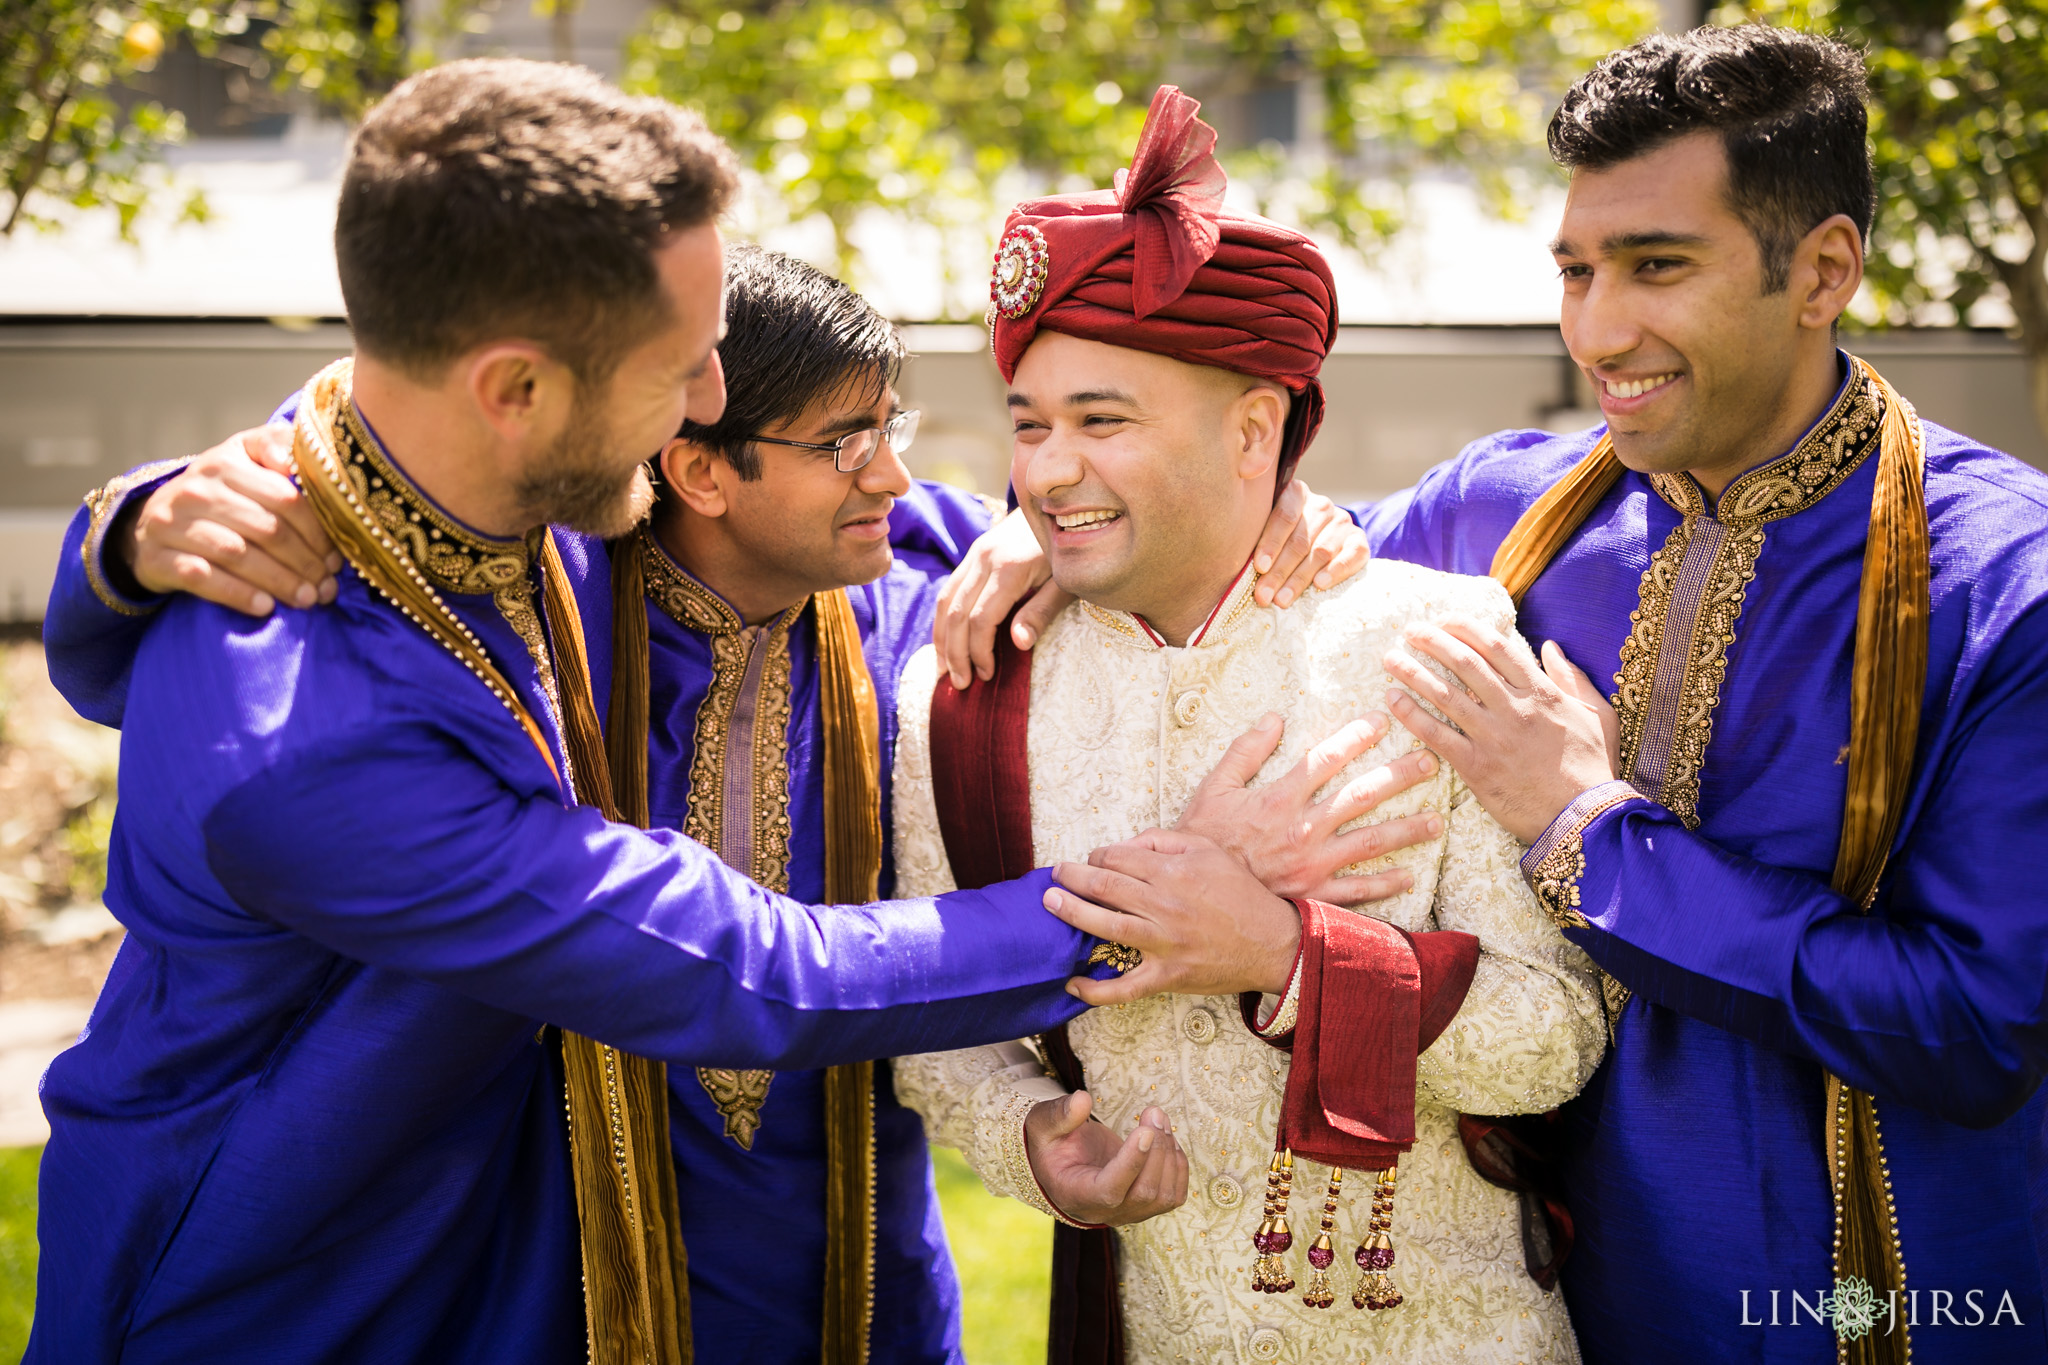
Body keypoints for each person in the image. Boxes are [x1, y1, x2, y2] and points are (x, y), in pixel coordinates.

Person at [25, 60, 1383, 1365]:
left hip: (540, 1250)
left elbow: (1044, 525)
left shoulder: (462, 487)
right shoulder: (311, 742)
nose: (712, 400)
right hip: (292, 1283)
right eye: (680, 372)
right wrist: (1158, 905)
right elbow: (758, 974)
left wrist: (1188, 502)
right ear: (518, 391)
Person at [1341, 28, 2048, 1365]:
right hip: (1537, 1302)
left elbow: (1971, 1024)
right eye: (1577, 270)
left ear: (1823, 270)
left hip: (1874, 1311)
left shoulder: (2008, 585)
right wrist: (1044, 537)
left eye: (1658, 266)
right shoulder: (1503, 512)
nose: (1601, 328)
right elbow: (1255, 564)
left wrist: (1583, 828)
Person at [888, 87, 1607, 1365]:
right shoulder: (959, 694)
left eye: (1101, 422)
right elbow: (945, 1047)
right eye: (1030, 425)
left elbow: (1550, 1043)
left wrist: (1284, 957)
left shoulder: (1433, 643)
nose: (1049, 471)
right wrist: (1034, 1151)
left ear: (1255, 429)